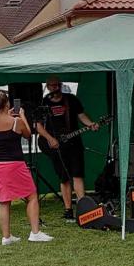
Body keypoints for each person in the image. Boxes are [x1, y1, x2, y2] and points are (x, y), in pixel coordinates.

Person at [0, 90, 52, 245]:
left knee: (4, 201)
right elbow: (28, 134)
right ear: (7, 104)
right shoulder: (16, 122)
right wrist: (22, 116)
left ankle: (6, 237)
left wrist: (6, 115)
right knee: (32, 196)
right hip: (14, 164)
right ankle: (35, 233)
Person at [34, 76, 100, 220]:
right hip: (57, 145)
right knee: (64, 177)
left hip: (74, 143)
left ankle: (83, 208)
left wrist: (90, 124)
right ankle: (68, 209)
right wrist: (50, 138)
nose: (55, 88)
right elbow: (38, 126)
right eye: (52, 85)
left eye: (57, 85)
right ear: (47, 87)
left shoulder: (71, 99)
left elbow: (81, 115)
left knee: (77, 174)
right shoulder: (44, 103)